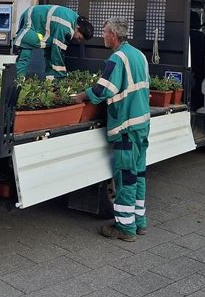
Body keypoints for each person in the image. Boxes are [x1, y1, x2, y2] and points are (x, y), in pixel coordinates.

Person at [75, 17, 150, 241]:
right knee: (138, 175)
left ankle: (125, 229)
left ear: (114, 36)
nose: (103, 36)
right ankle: (139, 222)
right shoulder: (139, 55)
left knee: (125, 178)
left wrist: (81, 96)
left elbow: (103, 90)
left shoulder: (117, 58)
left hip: (126, 127)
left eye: (105, 32)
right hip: (141, 124)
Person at [13, 4, 93, 78]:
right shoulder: (65, 27)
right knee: (25, 56)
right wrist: (61, 75)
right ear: (78, 28)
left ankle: (49, 80)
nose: (78, 41)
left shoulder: (75, 19)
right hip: (32, 21)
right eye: (79, 38)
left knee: (49, 54)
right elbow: (57, 52)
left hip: (36, 19)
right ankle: (17, 83)